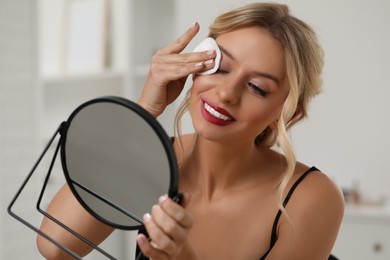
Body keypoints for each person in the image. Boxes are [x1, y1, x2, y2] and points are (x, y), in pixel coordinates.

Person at [37, 2, 344, 259]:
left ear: (286, 114)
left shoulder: (310, 197)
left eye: (257, 87)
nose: (226, 93)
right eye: (220, 67)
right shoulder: (149, 158)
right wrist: (144, 112)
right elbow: (54, 246)